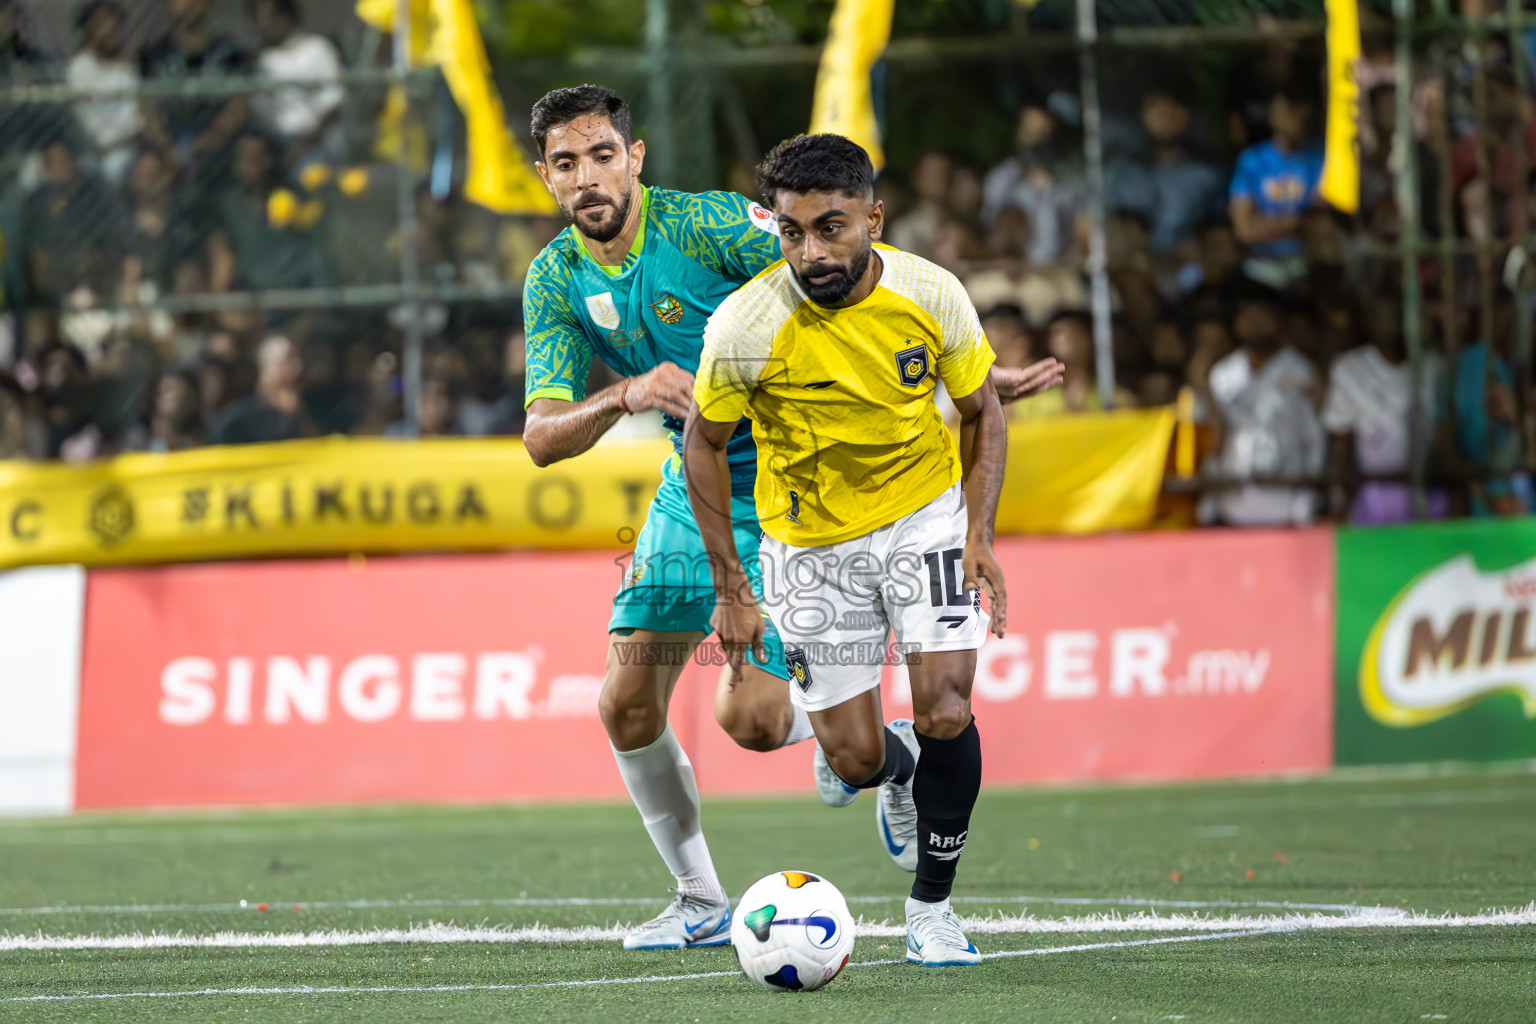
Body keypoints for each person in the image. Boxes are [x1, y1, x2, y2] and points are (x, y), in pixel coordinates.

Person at [520, 86, 1061, 952]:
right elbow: (541, 439)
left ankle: (886, 749)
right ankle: (699, 901)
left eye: (602, 155)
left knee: (758, 723)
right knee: (622, 704)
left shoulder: (708, 227)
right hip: (690, 486)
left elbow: (843, 270)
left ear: (637, 157)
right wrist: (623, 392)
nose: (588, 178)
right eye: (565, 163)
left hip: (790, 489)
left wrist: (973, 373)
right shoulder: (553, 280)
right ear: (543, 176)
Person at [686, 133, 1006, 967]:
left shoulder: (932, 294)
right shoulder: (747, 324)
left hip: (921, 519)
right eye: (792, 233)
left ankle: (931, 913)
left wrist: (977, 534)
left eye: (831, 228)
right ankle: (891, 767)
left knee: (949, 710)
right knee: (857, 758)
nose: (810, 251)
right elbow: (703, 444)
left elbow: (983, 413)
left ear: (874, 216)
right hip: (810, 545)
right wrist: (732, 585)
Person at [1228, 84, 1324, 287]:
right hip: (1259, 266)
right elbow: (1244, 230)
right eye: (1285, 108)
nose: (1293, 116)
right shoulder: (1252, 159)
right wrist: (1294, 224)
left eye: (1298, 108)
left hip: (1310, 264)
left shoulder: (1322, 156)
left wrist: (1263, 224)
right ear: (1271, 113)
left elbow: (1321, 224)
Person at [66, 1, 140, 183]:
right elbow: (79, 121)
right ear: (88, 31)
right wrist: (99, 149)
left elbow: (135, 120)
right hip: (89, 153)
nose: (109, 30)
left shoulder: (128, 70)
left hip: (128, 151)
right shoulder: (79, 68)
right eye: (101, 24)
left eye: (115, 26)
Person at [209, 334, 314, 444]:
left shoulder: (314, 408)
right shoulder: (239, 420)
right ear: (263, 368)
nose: (298, 367)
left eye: (298, 359)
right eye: (287, 360)